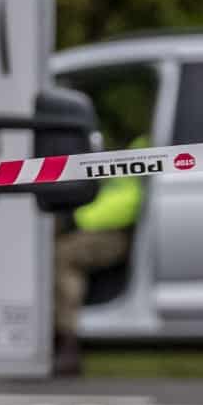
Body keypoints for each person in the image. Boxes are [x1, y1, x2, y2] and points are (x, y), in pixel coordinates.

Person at [52, 138, 145, 375]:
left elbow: (128, 201)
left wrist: (77, 219)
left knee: (63, 257)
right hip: (103, 225)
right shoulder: (141, 144)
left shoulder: (148, 147)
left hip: (115, 232)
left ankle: (67, 343)